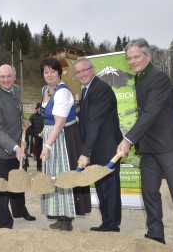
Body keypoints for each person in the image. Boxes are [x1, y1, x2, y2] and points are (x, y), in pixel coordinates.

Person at [117, 38, 173, 251]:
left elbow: (151, 113)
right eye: (129, 58)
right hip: (149, 148)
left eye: (136, 57)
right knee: (149, 192)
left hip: (169, 146)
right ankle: (155, 236)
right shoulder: (139, 79)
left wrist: (128, 139)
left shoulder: (159, 78)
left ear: (148, 56)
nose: (132, 61)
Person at [74, 57, 122, 232]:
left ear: (92, 69)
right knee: (102, 187)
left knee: (109, 188)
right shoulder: (88, 89)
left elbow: (94, 122)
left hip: (107, 147)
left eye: (84, 70)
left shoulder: (100, 89)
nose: (81, 74)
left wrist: (85, 152)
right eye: (78, 72)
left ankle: (112, 224)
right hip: (98, 148)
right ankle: (107, 222)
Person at [0, 64, 36, 229]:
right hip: (0, 151)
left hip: (17, 145)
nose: (6, 80)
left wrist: (23, 119)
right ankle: (5, 223)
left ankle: (19, 211)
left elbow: (18, 111)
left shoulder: (17, 89)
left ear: (14, 76)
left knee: (18, 181)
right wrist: (15, 148)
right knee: (1, 188)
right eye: (2, 77)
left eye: (9, 76)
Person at [39, 57, 85, 231]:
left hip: (63, 137)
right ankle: (59, 214)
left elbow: (59, 123)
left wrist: (47, 146)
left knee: (63, 173)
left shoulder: (63, 92)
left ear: (59, 72)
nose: (49, 74)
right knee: (52, 174)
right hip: (51, 135)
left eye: (53, 71)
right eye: (46, 71)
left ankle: (67, 218)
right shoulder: (46, 89)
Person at [29, 102, 44, 171]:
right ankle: (38, 165)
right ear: (37, 109)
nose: (40, 109)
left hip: (44, 137)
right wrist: (35, 135)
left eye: (41, 108)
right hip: (36, 137)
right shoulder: (33, 117)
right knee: (38, 151)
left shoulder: (44, 116)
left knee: (44, 151)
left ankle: (43, 165)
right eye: (39, 108)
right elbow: (29, 127)